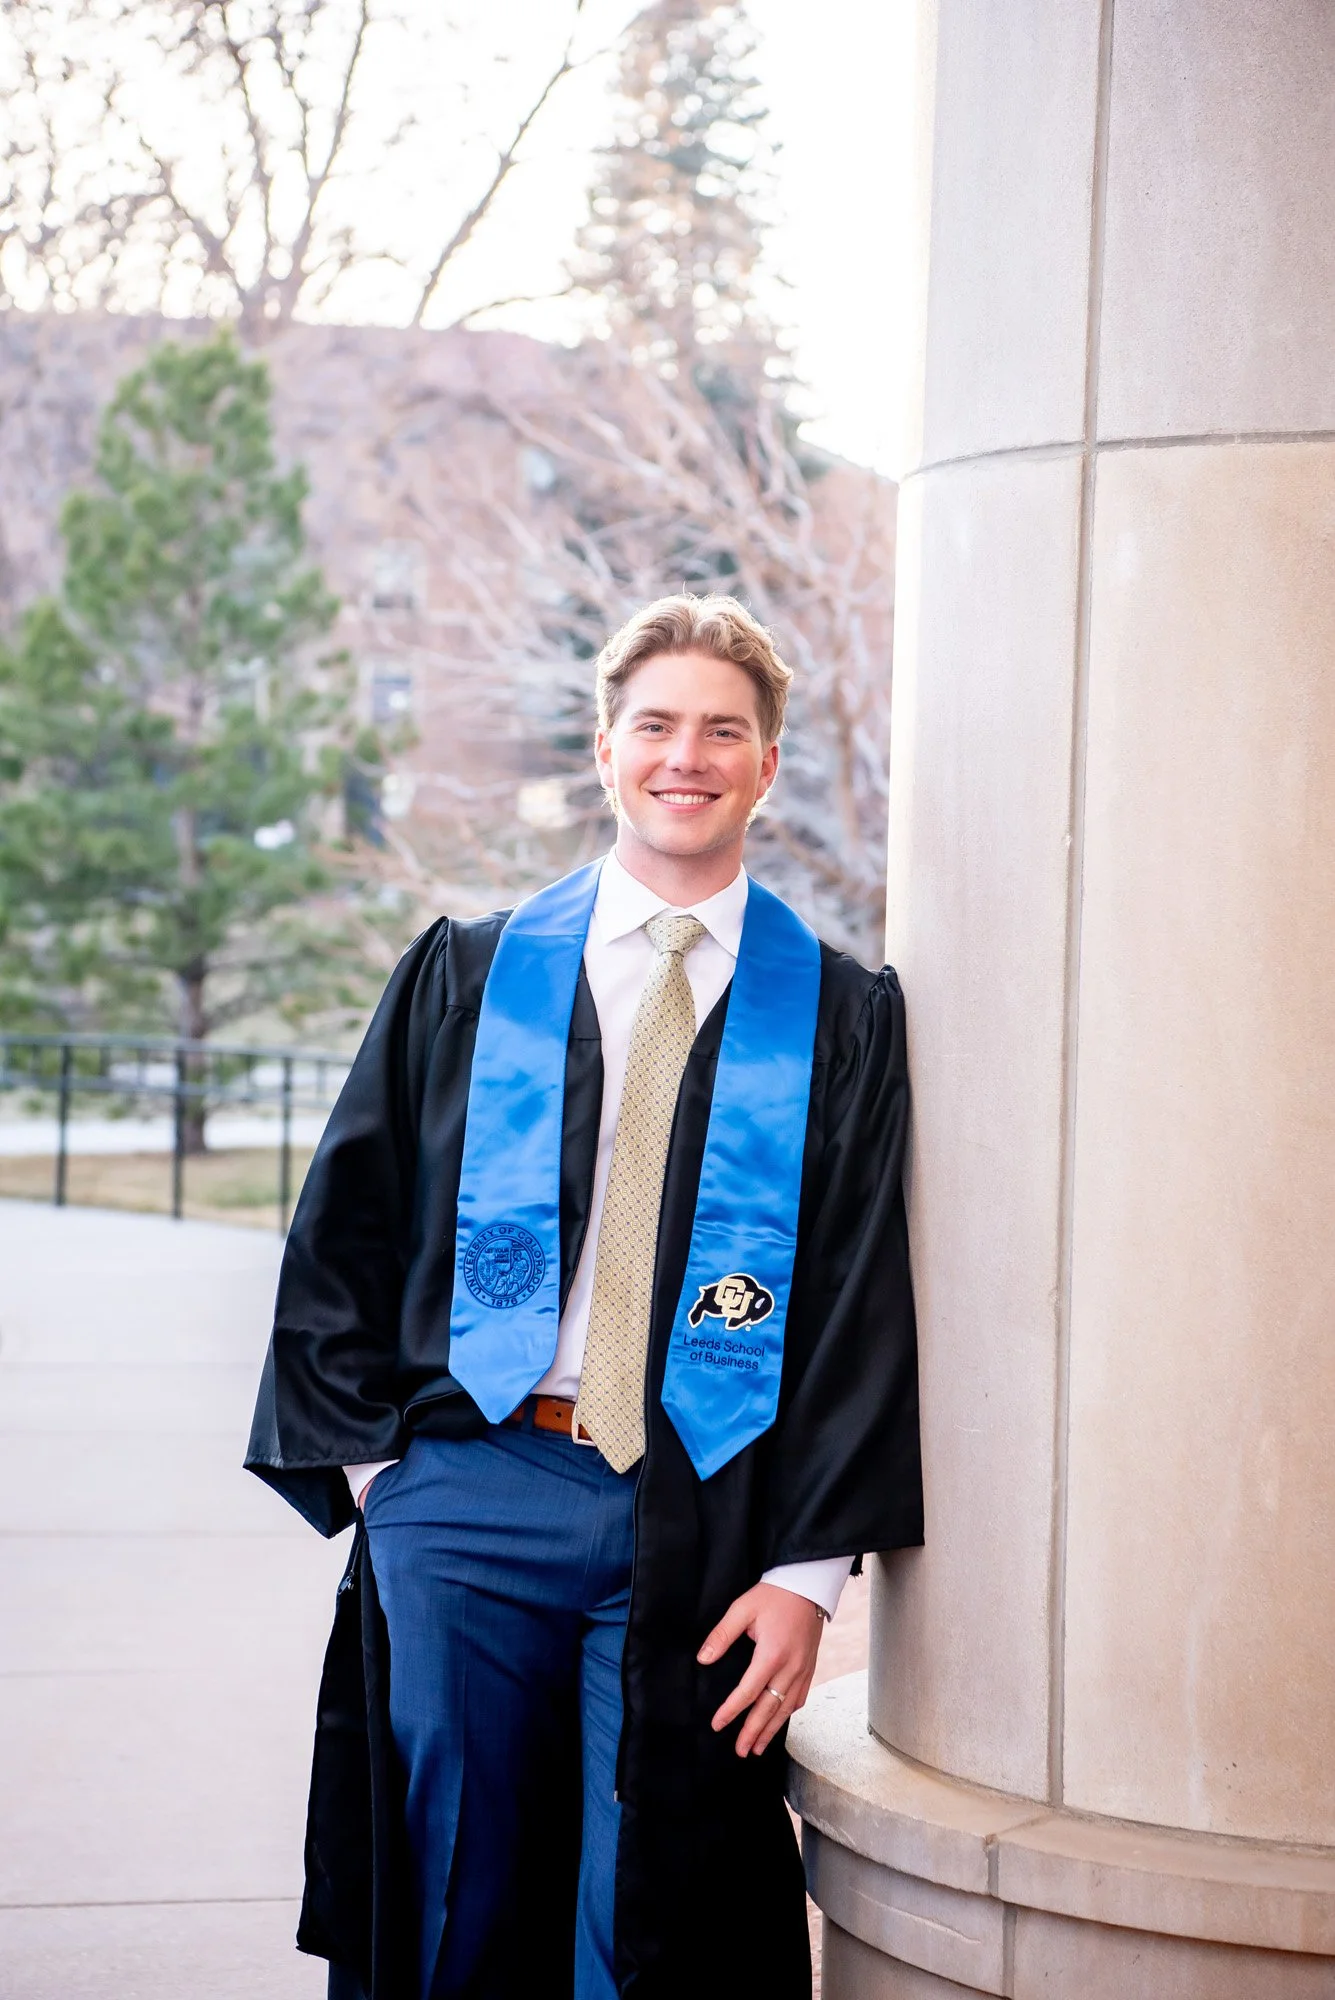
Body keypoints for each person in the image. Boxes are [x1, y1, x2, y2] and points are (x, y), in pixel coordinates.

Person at [245, 593, 922, 2000]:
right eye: (656, 725)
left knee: (652, 1909)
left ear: (766, 761)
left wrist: (805, 1579)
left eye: (722, 730)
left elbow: (860, 1296)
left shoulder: (841, 1017)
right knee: (453, 1886)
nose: (688, 755)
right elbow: (343, 1233)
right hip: (473, 1482)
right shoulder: (468, 975)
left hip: (701, 1508)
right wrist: (389, 1483)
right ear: (606, 748)